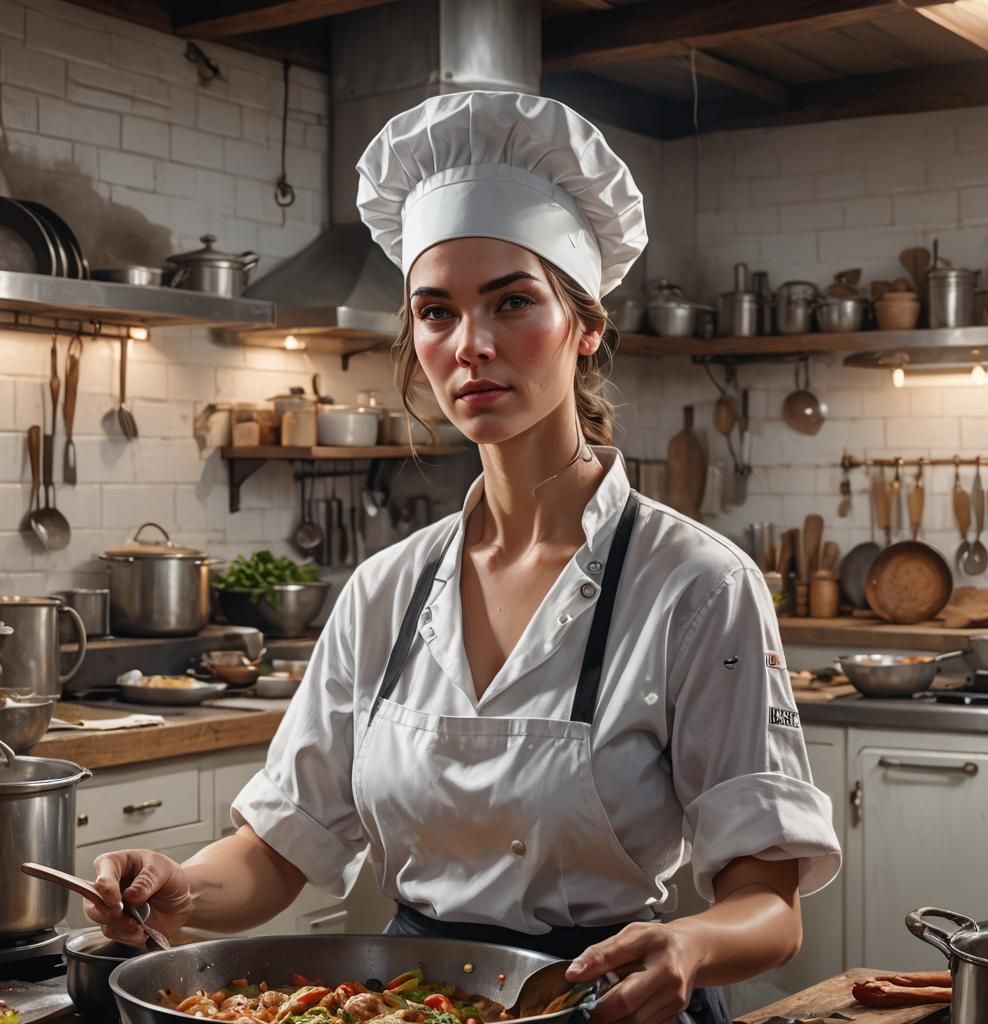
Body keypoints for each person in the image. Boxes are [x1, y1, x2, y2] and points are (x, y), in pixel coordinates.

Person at [88, 91, 841, 1024]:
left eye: (512, 302)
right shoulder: (387, 589)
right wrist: (176, 888)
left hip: (606, 1004)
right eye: (437, 314)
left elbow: (770, 906)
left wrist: (691, 942)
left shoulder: (694, 583)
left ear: (586, 325)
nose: (471, 347)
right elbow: (282, 848)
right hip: (414, 1001)